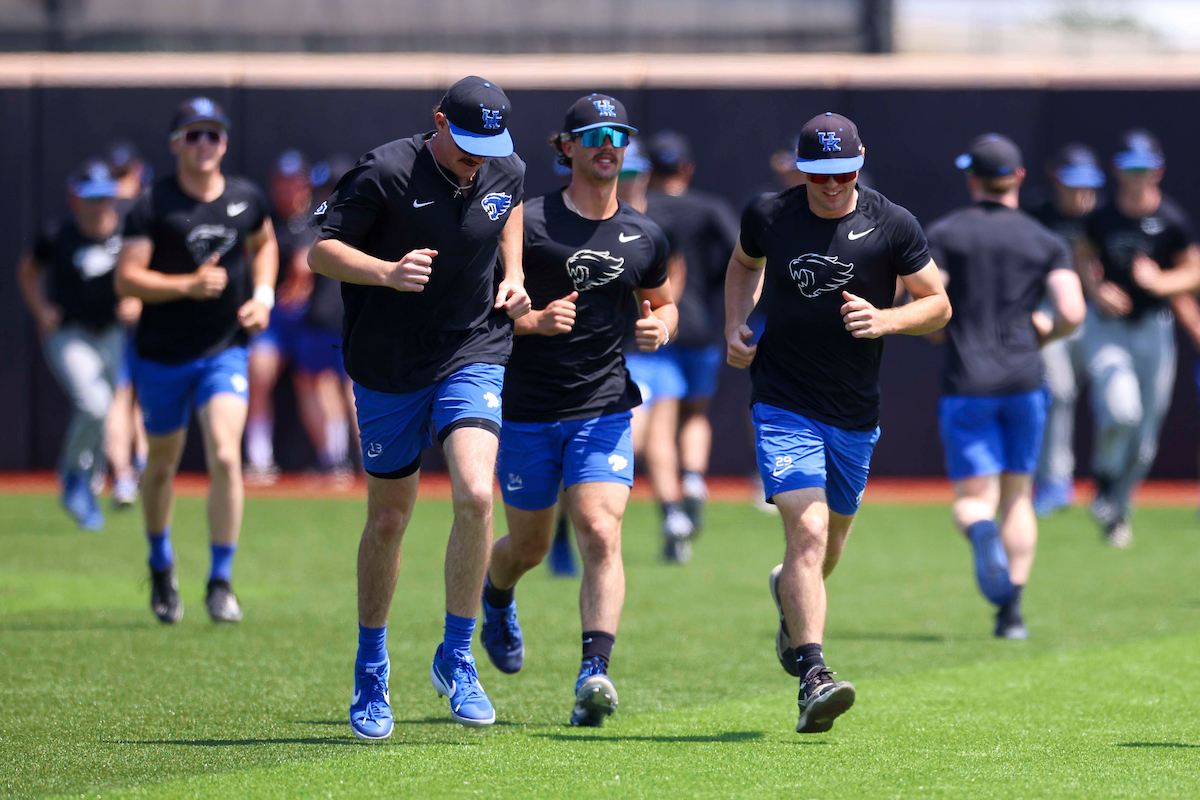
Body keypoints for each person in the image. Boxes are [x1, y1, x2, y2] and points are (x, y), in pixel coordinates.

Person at [307, 76, 530, 740]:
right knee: (388, 521)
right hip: (388, 363)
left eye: (489, 148)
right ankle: (371, 668)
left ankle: (456, 657)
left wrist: (515, 274)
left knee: (476, 495)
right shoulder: (384, 171)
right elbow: (321, 251)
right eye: (466, 145)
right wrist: (386, 272)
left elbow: (511, 203)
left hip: (472, 346)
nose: (477, 160)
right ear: (438, 122)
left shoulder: (504, 167)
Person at [724, 112, 950, 733]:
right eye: (819, 173)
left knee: (829, 546)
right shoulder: (769, 214)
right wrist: (735, 323)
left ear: (861, 161)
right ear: (801, 169)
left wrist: (886, 320)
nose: (831, 184)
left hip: (853, 411)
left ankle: (788, 597)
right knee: (809, 528)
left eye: (843, 172)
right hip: (782, 399)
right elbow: (743, 264)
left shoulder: (892, 223)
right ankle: (814, 677)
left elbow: (937, 303)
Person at [481, 94, 675, 728]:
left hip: (603, 405)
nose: (606, 145)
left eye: (617, 135)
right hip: (528, 408)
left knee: (599, 528)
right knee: (529, 546)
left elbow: (664, 301)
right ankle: (496, 595)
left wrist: (662, 327)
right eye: (593, 135)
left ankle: (595, 672)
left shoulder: (645, 234)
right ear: (566, 148)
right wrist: (533, 322)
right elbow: (482, 314)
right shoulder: (527, 222)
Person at [115, 97, 278, 625]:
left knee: (227, 457)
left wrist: (264, 297)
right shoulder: (152, 203)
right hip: (162, 354)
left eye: (213, 134)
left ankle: (220, 580)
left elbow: (265, 242)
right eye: (193, 134)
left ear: (225, 143)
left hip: (223, 348)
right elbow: (126, 278)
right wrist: (188, 284)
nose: (204, 144)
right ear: (175, 144)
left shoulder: (245, 197)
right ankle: (161, 563)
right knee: (161, 463)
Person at [929, 134, 1086, 639]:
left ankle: (981, 530)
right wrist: (1043, 332)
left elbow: (927, 304)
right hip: (1024, 381)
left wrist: (935, 330)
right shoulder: (1045, 240)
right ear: (1018, 178)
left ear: (971, 178)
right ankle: (1011, 612)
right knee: (1018, 495)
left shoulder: (947, 232)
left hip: (967, 382)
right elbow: (1072, 311)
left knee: (975, 499)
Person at [1076, 129, 1200, 547]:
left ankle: (1119, 511)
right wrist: (1097, 290)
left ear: (1158, 171)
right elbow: (1082, 255)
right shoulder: (1101, 216)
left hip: (1154, 329)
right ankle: (1105, 479)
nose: (1137, 176)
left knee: (1145, 441)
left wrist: (1160, 281)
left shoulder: (1172, 219)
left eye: (1144, 168)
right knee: (1121, 410)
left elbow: (1193, 271)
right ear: (1117, 170)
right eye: (1130, 167)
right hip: (1108, 328)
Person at [16, 160, 129, 530]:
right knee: (94, 404)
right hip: (69, 334)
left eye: (104, 197)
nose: (99, 205)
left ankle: (85, 487)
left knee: (104, 409)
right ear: (75, 199)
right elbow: (28, 271)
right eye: (91, 197)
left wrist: (136, 299)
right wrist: (41, 309)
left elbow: (142, 271)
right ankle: (72, 476)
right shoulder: (58, 234)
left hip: (110, 332)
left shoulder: (126, 232)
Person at [640, 131, 739, 535]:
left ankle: (671, 509)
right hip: (697, 324)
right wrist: (712, 286)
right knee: (695, 414)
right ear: (687, 169)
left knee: (659, 426)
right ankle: (695, 479)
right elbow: (744, 253)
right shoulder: (708, 207)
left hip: (651, 326)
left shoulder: (638, 208)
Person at [1028, 144, 1106, 517]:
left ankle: (1109, 483)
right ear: (1056, 179)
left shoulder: (1107, 218)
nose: (1080, 192)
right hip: (1051, 312)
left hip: (1103, 319)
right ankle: (1054, 481)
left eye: (1087, 184)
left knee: (1117, 401)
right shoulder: (1037, 217)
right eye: (1073, 183)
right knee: (1058, 391)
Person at [103, 139, 152, 508]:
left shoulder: (144, 209)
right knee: (120, 398)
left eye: (125, 174)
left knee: (139, 398)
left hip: (149, 317)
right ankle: (125, 474)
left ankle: (139, 470)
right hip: (116, 322)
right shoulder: (107, 213)